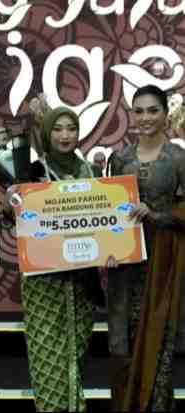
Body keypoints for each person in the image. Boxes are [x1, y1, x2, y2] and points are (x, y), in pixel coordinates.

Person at [6, 106, 106, 412]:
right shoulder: (31, 173)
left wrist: (113, 250)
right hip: (43, 283)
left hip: (82, 281)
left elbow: (105, 224)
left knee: (74, 359)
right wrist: (12, 203)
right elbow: (16, 221)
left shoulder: (92, 173)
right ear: (48, 134)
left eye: (71, 129)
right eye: (58, 129)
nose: (65, 135)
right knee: (47, 359)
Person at [108, 85, 185, 412]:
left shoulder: (178, 158)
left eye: (153, 110)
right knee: (122, 345)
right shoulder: (120, 158)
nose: (145, 118)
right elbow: (107, 210)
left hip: (163, 264)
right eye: (138, 111)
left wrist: (156, 215)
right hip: (125, 268)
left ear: (166, 114)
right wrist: (105, 249)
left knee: (158, 343)